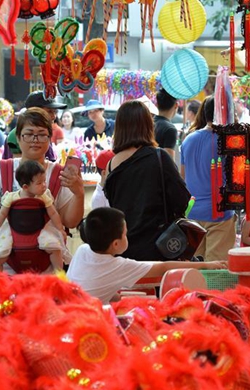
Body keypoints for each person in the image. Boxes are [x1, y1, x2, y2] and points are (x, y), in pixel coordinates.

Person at [0, 108, 85, 281]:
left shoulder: (59, 174)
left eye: (42, 134)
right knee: (3, 307)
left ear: (50, 139)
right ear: (18, 138)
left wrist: (79, 194)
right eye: (29, 134)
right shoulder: (0, 171)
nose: (35, 140)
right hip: (6, 265)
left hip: (47, 267)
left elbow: (69, 221)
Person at [68, 207, 226, 303]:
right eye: (125, 234)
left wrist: (123, 300)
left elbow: (94, 289)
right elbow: (163, 267)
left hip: (65, 312)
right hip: (86, 321)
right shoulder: (118, 266)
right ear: (115, 244)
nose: (127, 236)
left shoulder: (83, 250)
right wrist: (207, 264)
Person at [103, 100, 190, 261]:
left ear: (119, 127)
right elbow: (182, 198)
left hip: (123, 250)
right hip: (158, 248)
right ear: (149, 126)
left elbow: (110, 204)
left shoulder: (111, 165)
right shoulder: (159, 157)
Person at [180, 96, 236, 261]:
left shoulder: (188, 139)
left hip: (192, 213)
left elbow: (183, 177)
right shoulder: (226, 141)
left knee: (196, 267)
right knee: (216, 269)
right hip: (219, 215)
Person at [0, 160, 68, 273]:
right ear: (25, 187)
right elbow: (2, 214)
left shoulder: (44, 197)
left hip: (39, 230)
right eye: (39, 183)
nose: (44, 185)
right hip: (13, 231)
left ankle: (59, 273)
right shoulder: (11, 197)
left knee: (55, 248)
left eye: (44, 181)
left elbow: (53, 213)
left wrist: (60, 229)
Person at [154, 88, 179, 159]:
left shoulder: (148, 123)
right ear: (176, 105)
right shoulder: (170, 129)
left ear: (157, 104)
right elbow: (169, 163)